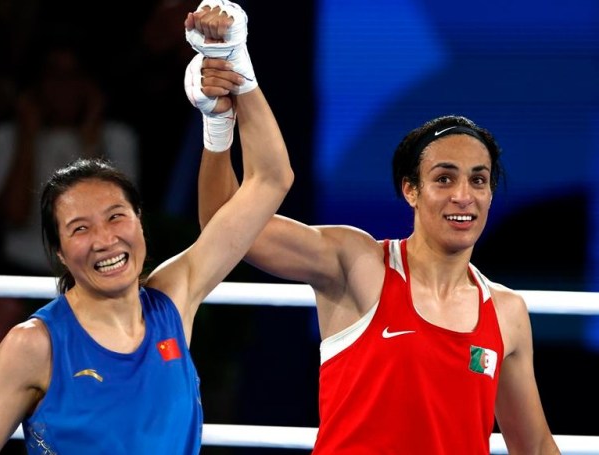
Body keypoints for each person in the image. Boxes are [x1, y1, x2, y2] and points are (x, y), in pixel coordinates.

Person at [192, 6, 560, 453]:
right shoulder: (358, 264)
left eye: (478, 180)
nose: (464, 195)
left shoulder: (507, 313)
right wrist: (221, 122)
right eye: (444, 178)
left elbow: (534, 445)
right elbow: (225, 226)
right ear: (411, 190)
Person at [0, 2, 293, 453]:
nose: (104, 239)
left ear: (139, 222)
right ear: (59, 252)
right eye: (79, 229)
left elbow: (272, 179)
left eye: (116, 216)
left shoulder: (174, 296)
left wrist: (236, 71)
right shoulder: (33, 345)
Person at [0, 34, 140, 276]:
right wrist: (26, 139)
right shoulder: (4, 138)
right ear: (36, 82)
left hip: (96, 269)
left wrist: (90, 138)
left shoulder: (118, 137)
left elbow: (119, 215)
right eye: (54, 75)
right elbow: (14, 215)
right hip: (20, 270)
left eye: (73, 75)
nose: (64, 86)